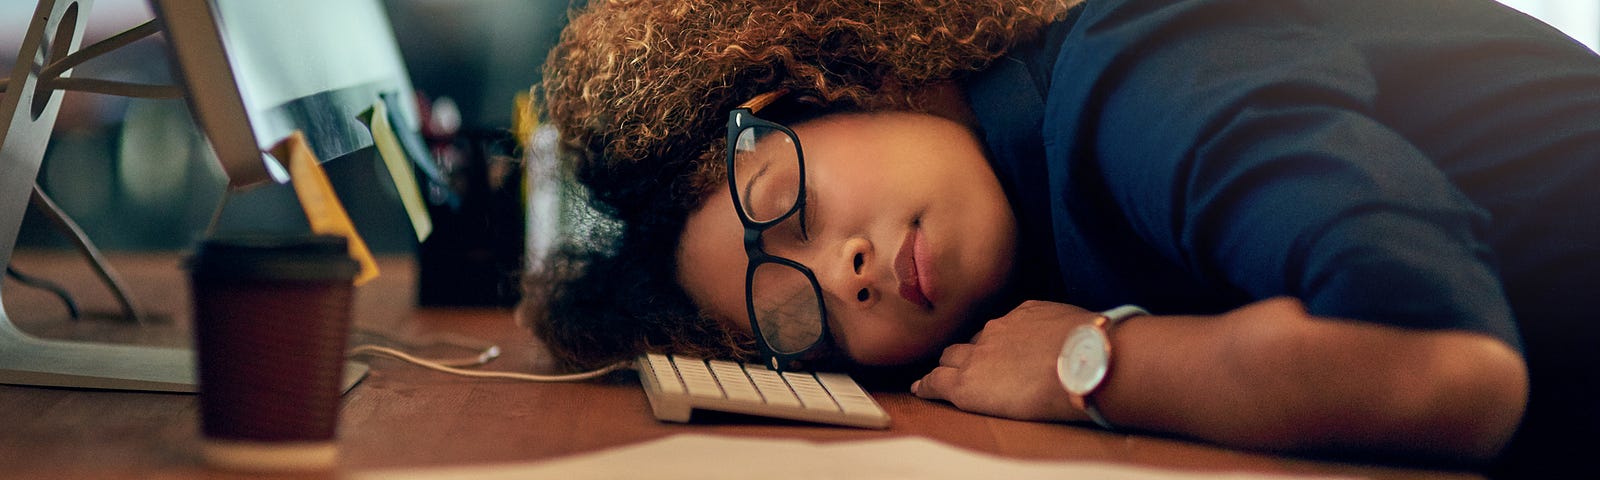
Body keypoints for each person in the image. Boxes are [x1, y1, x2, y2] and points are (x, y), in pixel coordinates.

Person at [520, 0, 1600, 476]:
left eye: (783, 201)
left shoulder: (1133, 73)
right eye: (794, 316)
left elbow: (1446, 371)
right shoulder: (1029, 207)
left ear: (828, 82)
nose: (842, 275)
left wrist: (1094, 364)